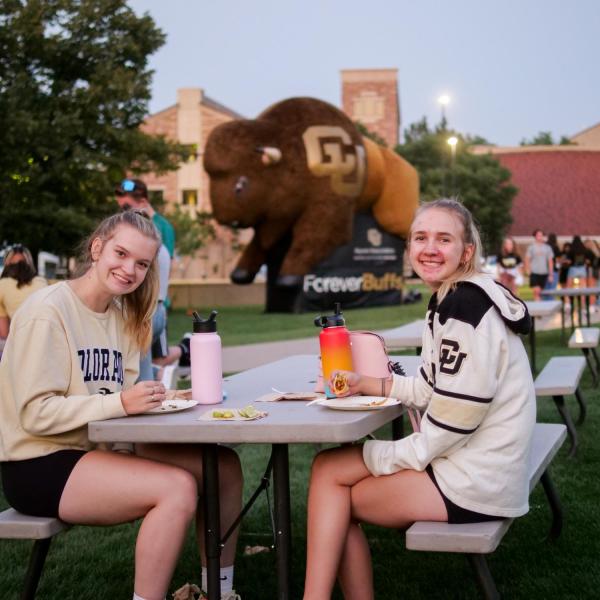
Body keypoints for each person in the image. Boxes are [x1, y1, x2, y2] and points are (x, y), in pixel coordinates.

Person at [0, 211, 243, 600]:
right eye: (121, 253)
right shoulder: (46, 312)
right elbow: (36, 414)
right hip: (38, 462)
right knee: (176, 488)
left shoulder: (122, 318)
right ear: (97, 248)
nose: (130, 269)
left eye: (142, 263)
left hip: (100, 446)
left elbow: (123, 402)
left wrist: (164, 399)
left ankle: (220, 591)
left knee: (223, 466)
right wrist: (121, 404)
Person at [303, 198, 535, 600]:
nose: (429, 248)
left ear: (466, 252)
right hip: (476, 466)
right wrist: (370, 384)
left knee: (332, 487)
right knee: (329, 475)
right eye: (420, 237)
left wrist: (383, 457)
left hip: (475, 481)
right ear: (409, 247)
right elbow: (432, 389)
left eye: (443, 239)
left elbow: (450, 428)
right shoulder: (449, 299)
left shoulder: (465, 307)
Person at [114, 179, 190, 377]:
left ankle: (183, 351)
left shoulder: (158, 229)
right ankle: (165, 372)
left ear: (143, 202)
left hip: (151, 305)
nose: (123, 211)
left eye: (127, 206)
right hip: (146, 308)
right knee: (144, 365)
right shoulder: (129, 227)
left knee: (147, 363)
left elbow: (163, 265)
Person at [0, 244, 47, 356]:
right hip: (46, 341)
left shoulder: (2, 285)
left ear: (7, 265)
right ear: (29, 264)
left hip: (20, 344)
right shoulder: (42, 282)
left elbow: (5, 333)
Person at [524, 229, 553, 301]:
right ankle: (538, 309)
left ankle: (540, 308)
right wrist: (528, 269)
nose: (540, 237)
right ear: (535, 236)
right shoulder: (531, 247)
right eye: (538, 235)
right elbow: (527, 259)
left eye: (541, 235)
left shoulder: (547, 248)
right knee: (536, 291)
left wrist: (550, 274)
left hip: (544, 273)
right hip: (534, 272)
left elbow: (550, 261)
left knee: (540, 292)